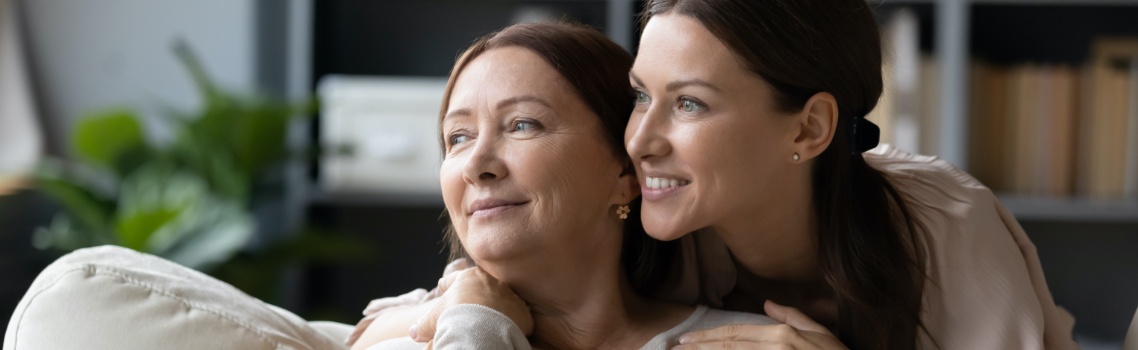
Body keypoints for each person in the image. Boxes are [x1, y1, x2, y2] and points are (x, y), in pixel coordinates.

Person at [357, 1, 1080, 349]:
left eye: (690, 104)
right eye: (639, 97)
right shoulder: (669, 227)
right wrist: (455, 310)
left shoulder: (940, 225)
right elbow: (411, 314)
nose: (638, 141)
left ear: (808, 128)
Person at [353, 22, 775, 350]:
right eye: (458, 137)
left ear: (626, 175)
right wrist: (473, 317)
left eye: (523, 125)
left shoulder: (752, 342)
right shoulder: (415, 337)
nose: (476, 167)